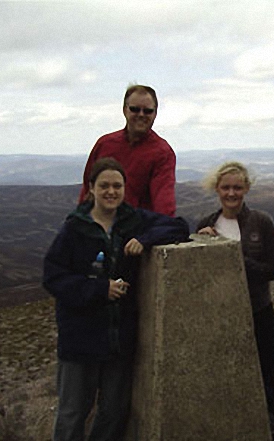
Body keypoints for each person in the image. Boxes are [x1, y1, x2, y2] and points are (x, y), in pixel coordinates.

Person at [44, 157, 189, 441]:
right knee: (73, 411)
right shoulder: (75, 229)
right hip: (81, 338)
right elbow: (53, 277)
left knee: (113, 410)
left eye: (117, 186)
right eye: (104, 186)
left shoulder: (132, 220)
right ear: (91, 189)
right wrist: (99, 290)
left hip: (119, 339)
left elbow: (179, 227)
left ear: (125, 188)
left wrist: (146, 239)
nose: (111, 191)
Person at [196, 161, 274, 441]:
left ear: (246, 188)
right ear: (217, 189)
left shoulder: (261, 222)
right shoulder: (207, 224)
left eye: (237, 187)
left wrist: (233, 256)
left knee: (270, 370)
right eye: (226, 187)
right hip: (220, 314)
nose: (231, 193)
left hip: (258, 310)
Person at [78, 84, 176, 216]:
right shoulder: (105, 144)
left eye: (147, 111)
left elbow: (163, 201)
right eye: (135, 109)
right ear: (125, 110)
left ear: (155, 114)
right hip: (99, 227)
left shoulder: (162, 153)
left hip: (138, 231)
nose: (141, 115)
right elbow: (87, 189)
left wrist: (164, 229)